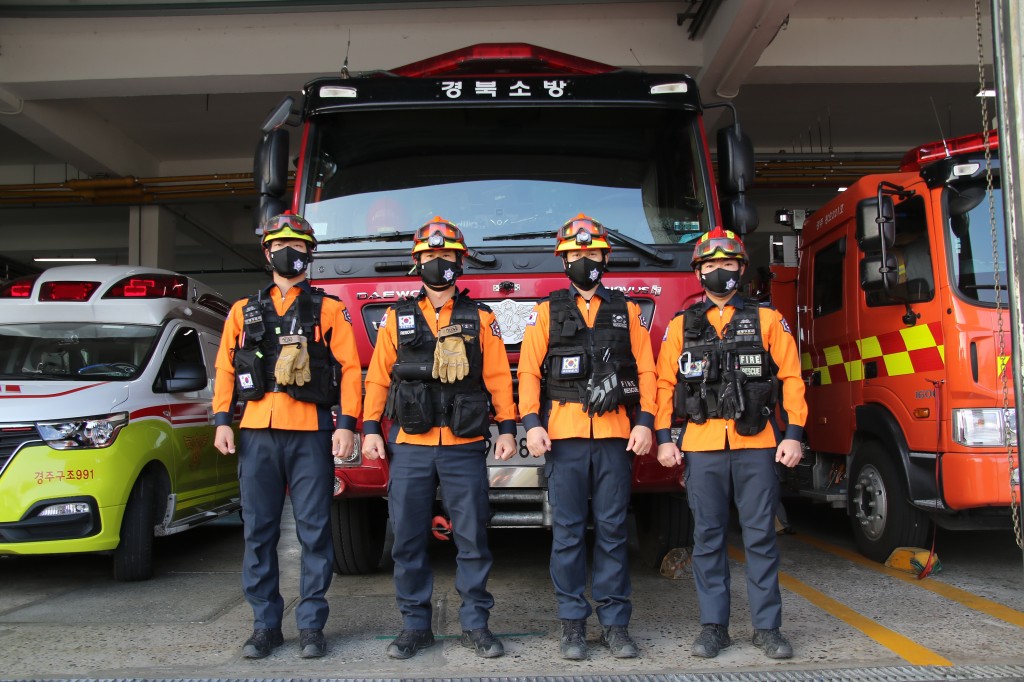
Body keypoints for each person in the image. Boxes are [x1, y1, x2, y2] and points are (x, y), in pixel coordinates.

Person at [361, 216, 517, 660]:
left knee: (472, 538)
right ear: (417, 263)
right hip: (410, 444)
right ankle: (415, 626)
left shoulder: (480, 318)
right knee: (408, 538)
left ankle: (476, 625)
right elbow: (376, 379)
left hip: (465, 445)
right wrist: (371, 428)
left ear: (459, 262)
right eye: (430, 256)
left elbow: (498, 379)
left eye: (446, 256)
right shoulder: (396, 317)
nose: (438, 263)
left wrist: (507, 427)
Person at [212, 213, 362, 660]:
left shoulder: (328, 309)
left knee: (315, 532)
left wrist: (347, 425)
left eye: (298, 244)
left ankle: (312, 625)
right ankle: (265, 626)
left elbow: (351, 370)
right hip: (258, 431)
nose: (289, 251)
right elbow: (224, 367)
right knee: (259, 532)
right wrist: (222, 419)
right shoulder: (242, 311)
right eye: (281, 244)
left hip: (311, 431)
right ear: (267, 253)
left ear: (309, 253)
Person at [653, 227, 806, 660]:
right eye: (710, 265)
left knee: (760, 537)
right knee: (708, 538)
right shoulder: (683, 325)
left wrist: (793, 434)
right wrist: (665, 438)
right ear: (698, 272)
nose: (720, 272)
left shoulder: (768, 320)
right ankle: (713, 627)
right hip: (702, 445)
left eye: (728, 264)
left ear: (741, 268)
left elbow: (792, 378)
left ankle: (767, 628)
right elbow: (665, 385)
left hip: (757, 442)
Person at [517, 213, 656, 661]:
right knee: (569, 534)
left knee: (614, 532)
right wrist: (532, 423)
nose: (584, 260)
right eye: (575, 254)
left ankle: (615, 624)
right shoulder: (546, 312)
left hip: (616, 437)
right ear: (564, 259)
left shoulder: (627, 311)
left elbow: (648, 370)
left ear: (604, 257)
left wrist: (646, 421)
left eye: (591, 253)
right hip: (564, 440)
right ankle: (572, 624)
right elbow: (527, 371)